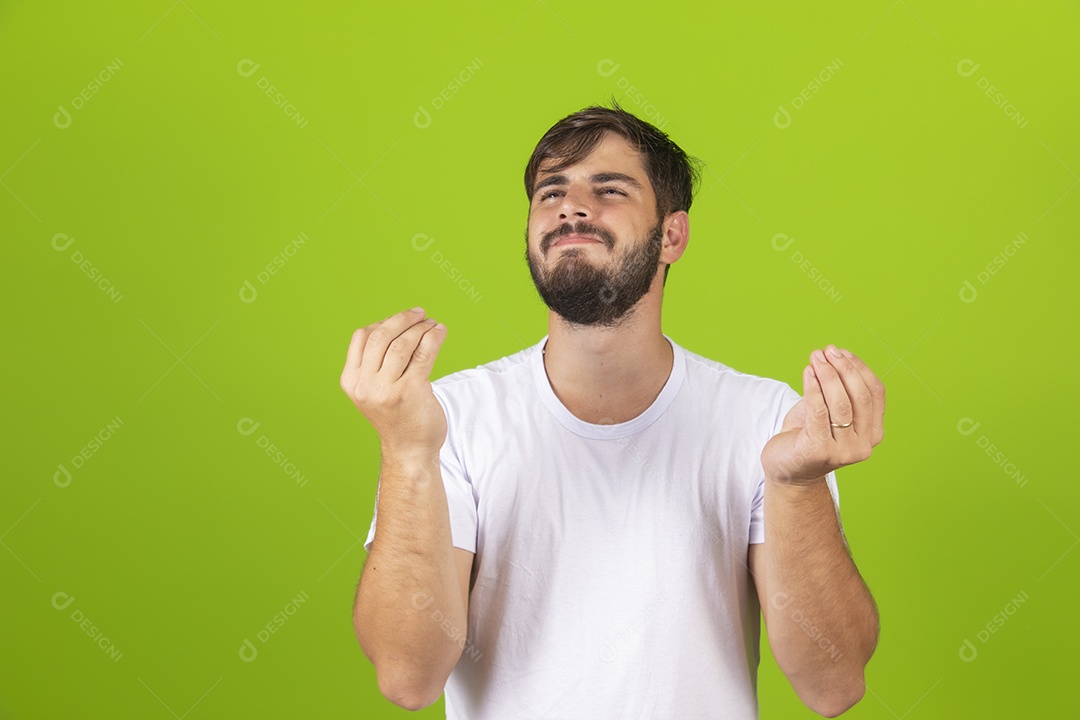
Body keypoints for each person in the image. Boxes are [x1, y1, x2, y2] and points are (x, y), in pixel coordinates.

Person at [341, 101, 884, 718]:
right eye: (551, 192)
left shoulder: (766, 424)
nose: (571, 206)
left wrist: (798, 482)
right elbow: (408, 679)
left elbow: (834, 685)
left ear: (672, 236)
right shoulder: (449, 420)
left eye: (610, 189)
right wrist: (407, 455)